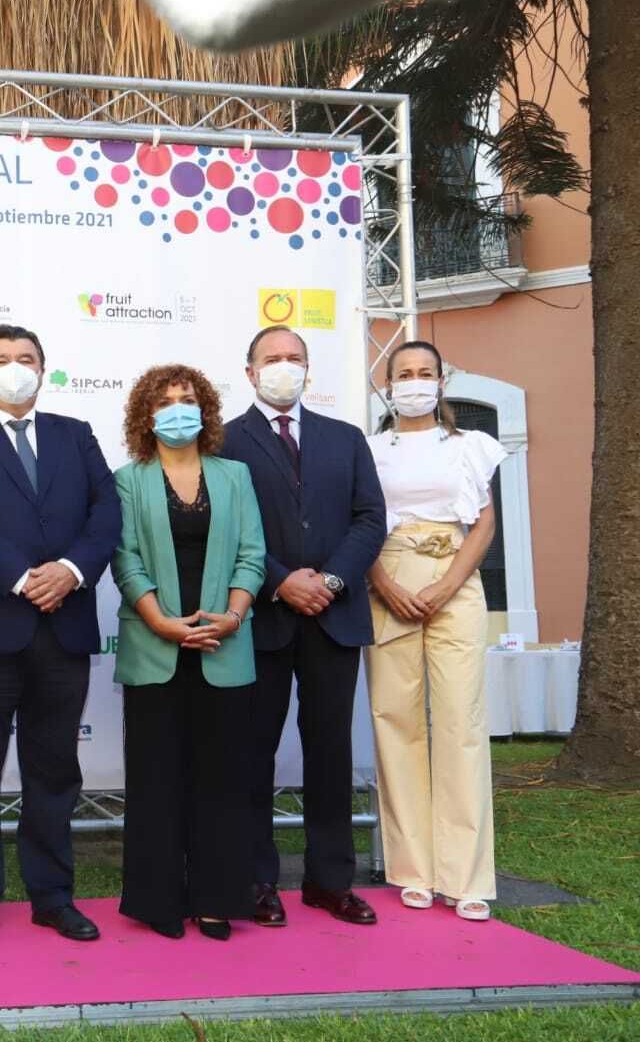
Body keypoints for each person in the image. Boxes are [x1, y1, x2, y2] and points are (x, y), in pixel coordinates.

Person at [0, 323, 121, 947]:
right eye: (1, 360)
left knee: (54, 771)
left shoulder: (76, 434)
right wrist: (19, 577)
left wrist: (69, 571)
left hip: (61, 628)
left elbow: (105, 512)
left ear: (45, 368)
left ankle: (52, 896)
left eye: (26, 358)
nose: (15, 368)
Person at [223, 326, 386, 928]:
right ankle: (257, 880)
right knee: (250, 755)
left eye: (294, 359)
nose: (283, 368)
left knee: (330, 755)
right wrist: (281, 580)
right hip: (260, 619)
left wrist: (332, 582)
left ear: (309, 370)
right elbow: (226, 528)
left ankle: (330, 881)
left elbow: (370, 519)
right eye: (272, 359)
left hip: (333, 620)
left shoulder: (345, 439)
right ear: (250, 372)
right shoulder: (224, 441)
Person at [113, 363, 265, 941]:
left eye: (187, 398)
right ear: (146, 416)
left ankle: (217, 898)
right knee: (156, 779)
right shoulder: (128, 479)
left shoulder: (236, 476)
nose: (178, 409)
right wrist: (161, 621)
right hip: (157, 648)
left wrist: (231, 615)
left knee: (223, 780)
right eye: (165, 400)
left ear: (204, 410)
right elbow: (124, 557)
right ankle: (158, 900)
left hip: (225, 646)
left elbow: (253, 552)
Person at [365, 340, 505, 923]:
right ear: (388, 385)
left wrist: (448, 585)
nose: (415, 382)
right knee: (395, 722)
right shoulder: (368, 450)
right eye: (404, 374)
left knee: (461, 723)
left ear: (441, 382)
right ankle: (412, 868)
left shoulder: (471, 446)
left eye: (425, 373)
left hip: (457, 582)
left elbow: (484, 522)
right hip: (388, 582)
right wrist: (385, 585)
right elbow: (360, 522)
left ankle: (466, 875)